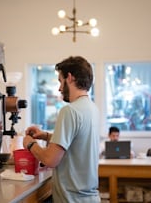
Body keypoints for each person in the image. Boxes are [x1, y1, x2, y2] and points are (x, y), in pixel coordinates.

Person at [23, 56, 100, 202]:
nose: (59, 88)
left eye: (60, 80)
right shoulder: (92, 108)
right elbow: (78, 141)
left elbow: (50, 160)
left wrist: (29, 144)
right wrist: (45, 136)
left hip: (71, 199)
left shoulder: (69, 111)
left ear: (69, 78)